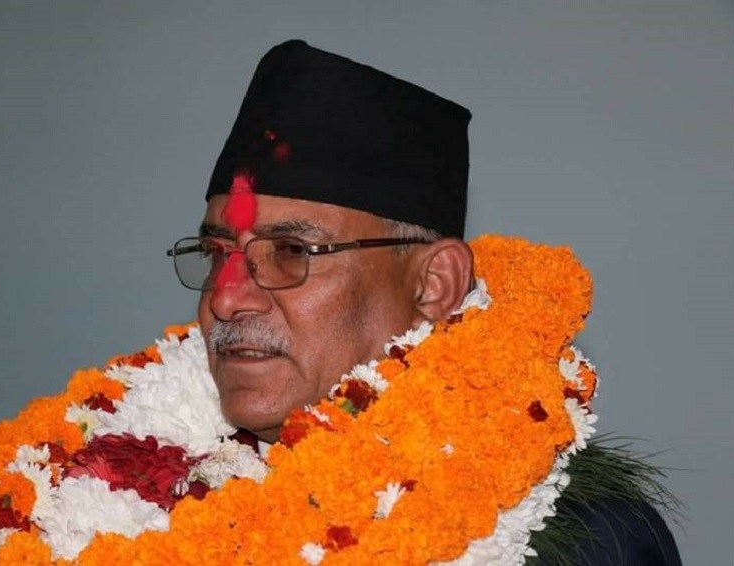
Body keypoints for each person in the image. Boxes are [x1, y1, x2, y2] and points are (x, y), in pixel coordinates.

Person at [168, 40, 682, 564]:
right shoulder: (148, 496)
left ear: (434, 283)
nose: (226, 298)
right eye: (217, 253)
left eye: (292, 251)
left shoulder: (591, 540)